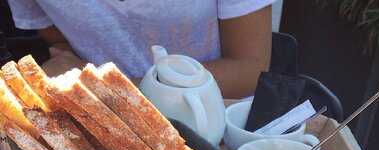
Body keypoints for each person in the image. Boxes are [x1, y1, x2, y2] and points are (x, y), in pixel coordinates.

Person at [7, 0, 276, 98]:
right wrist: (64, 59)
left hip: (215, 124)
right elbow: (55, 33)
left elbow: (250, 69)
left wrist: (109, 91)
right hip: (96, 128)